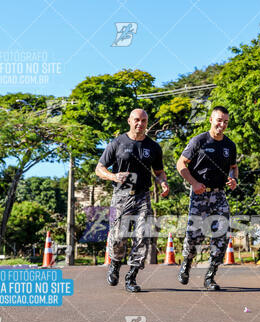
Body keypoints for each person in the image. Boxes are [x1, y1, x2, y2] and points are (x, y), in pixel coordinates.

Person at [95, 109, 169, 292]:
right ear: (129, 121)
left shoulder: (153, 147)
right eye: (136, 120)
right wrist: (113, 176)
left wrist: (163, 183)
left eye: (144, 120)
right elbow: (99, 168)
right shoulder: (118, 143)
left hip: (143, 195)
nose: (140, 124)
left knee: (142, 237)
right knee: (118, 237)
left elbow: (159, 172)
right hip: (121, 196)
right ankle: (115, 263)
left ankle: (132, 277)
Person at [176, 106, 238, 290]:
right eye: (219, 120)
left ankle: (210, 276)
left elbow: (233, 167)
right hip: (200, 194)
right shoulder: (199, 141)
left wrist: (234, 179)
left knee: (222, 233)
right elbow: (181, 163)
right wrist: (193, 183)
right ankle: (186, 264)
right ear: (211, 120)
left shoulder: (229, 145)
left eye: (226, 121)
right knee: (194, 236)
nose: (222, 124)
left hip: (219, 194)